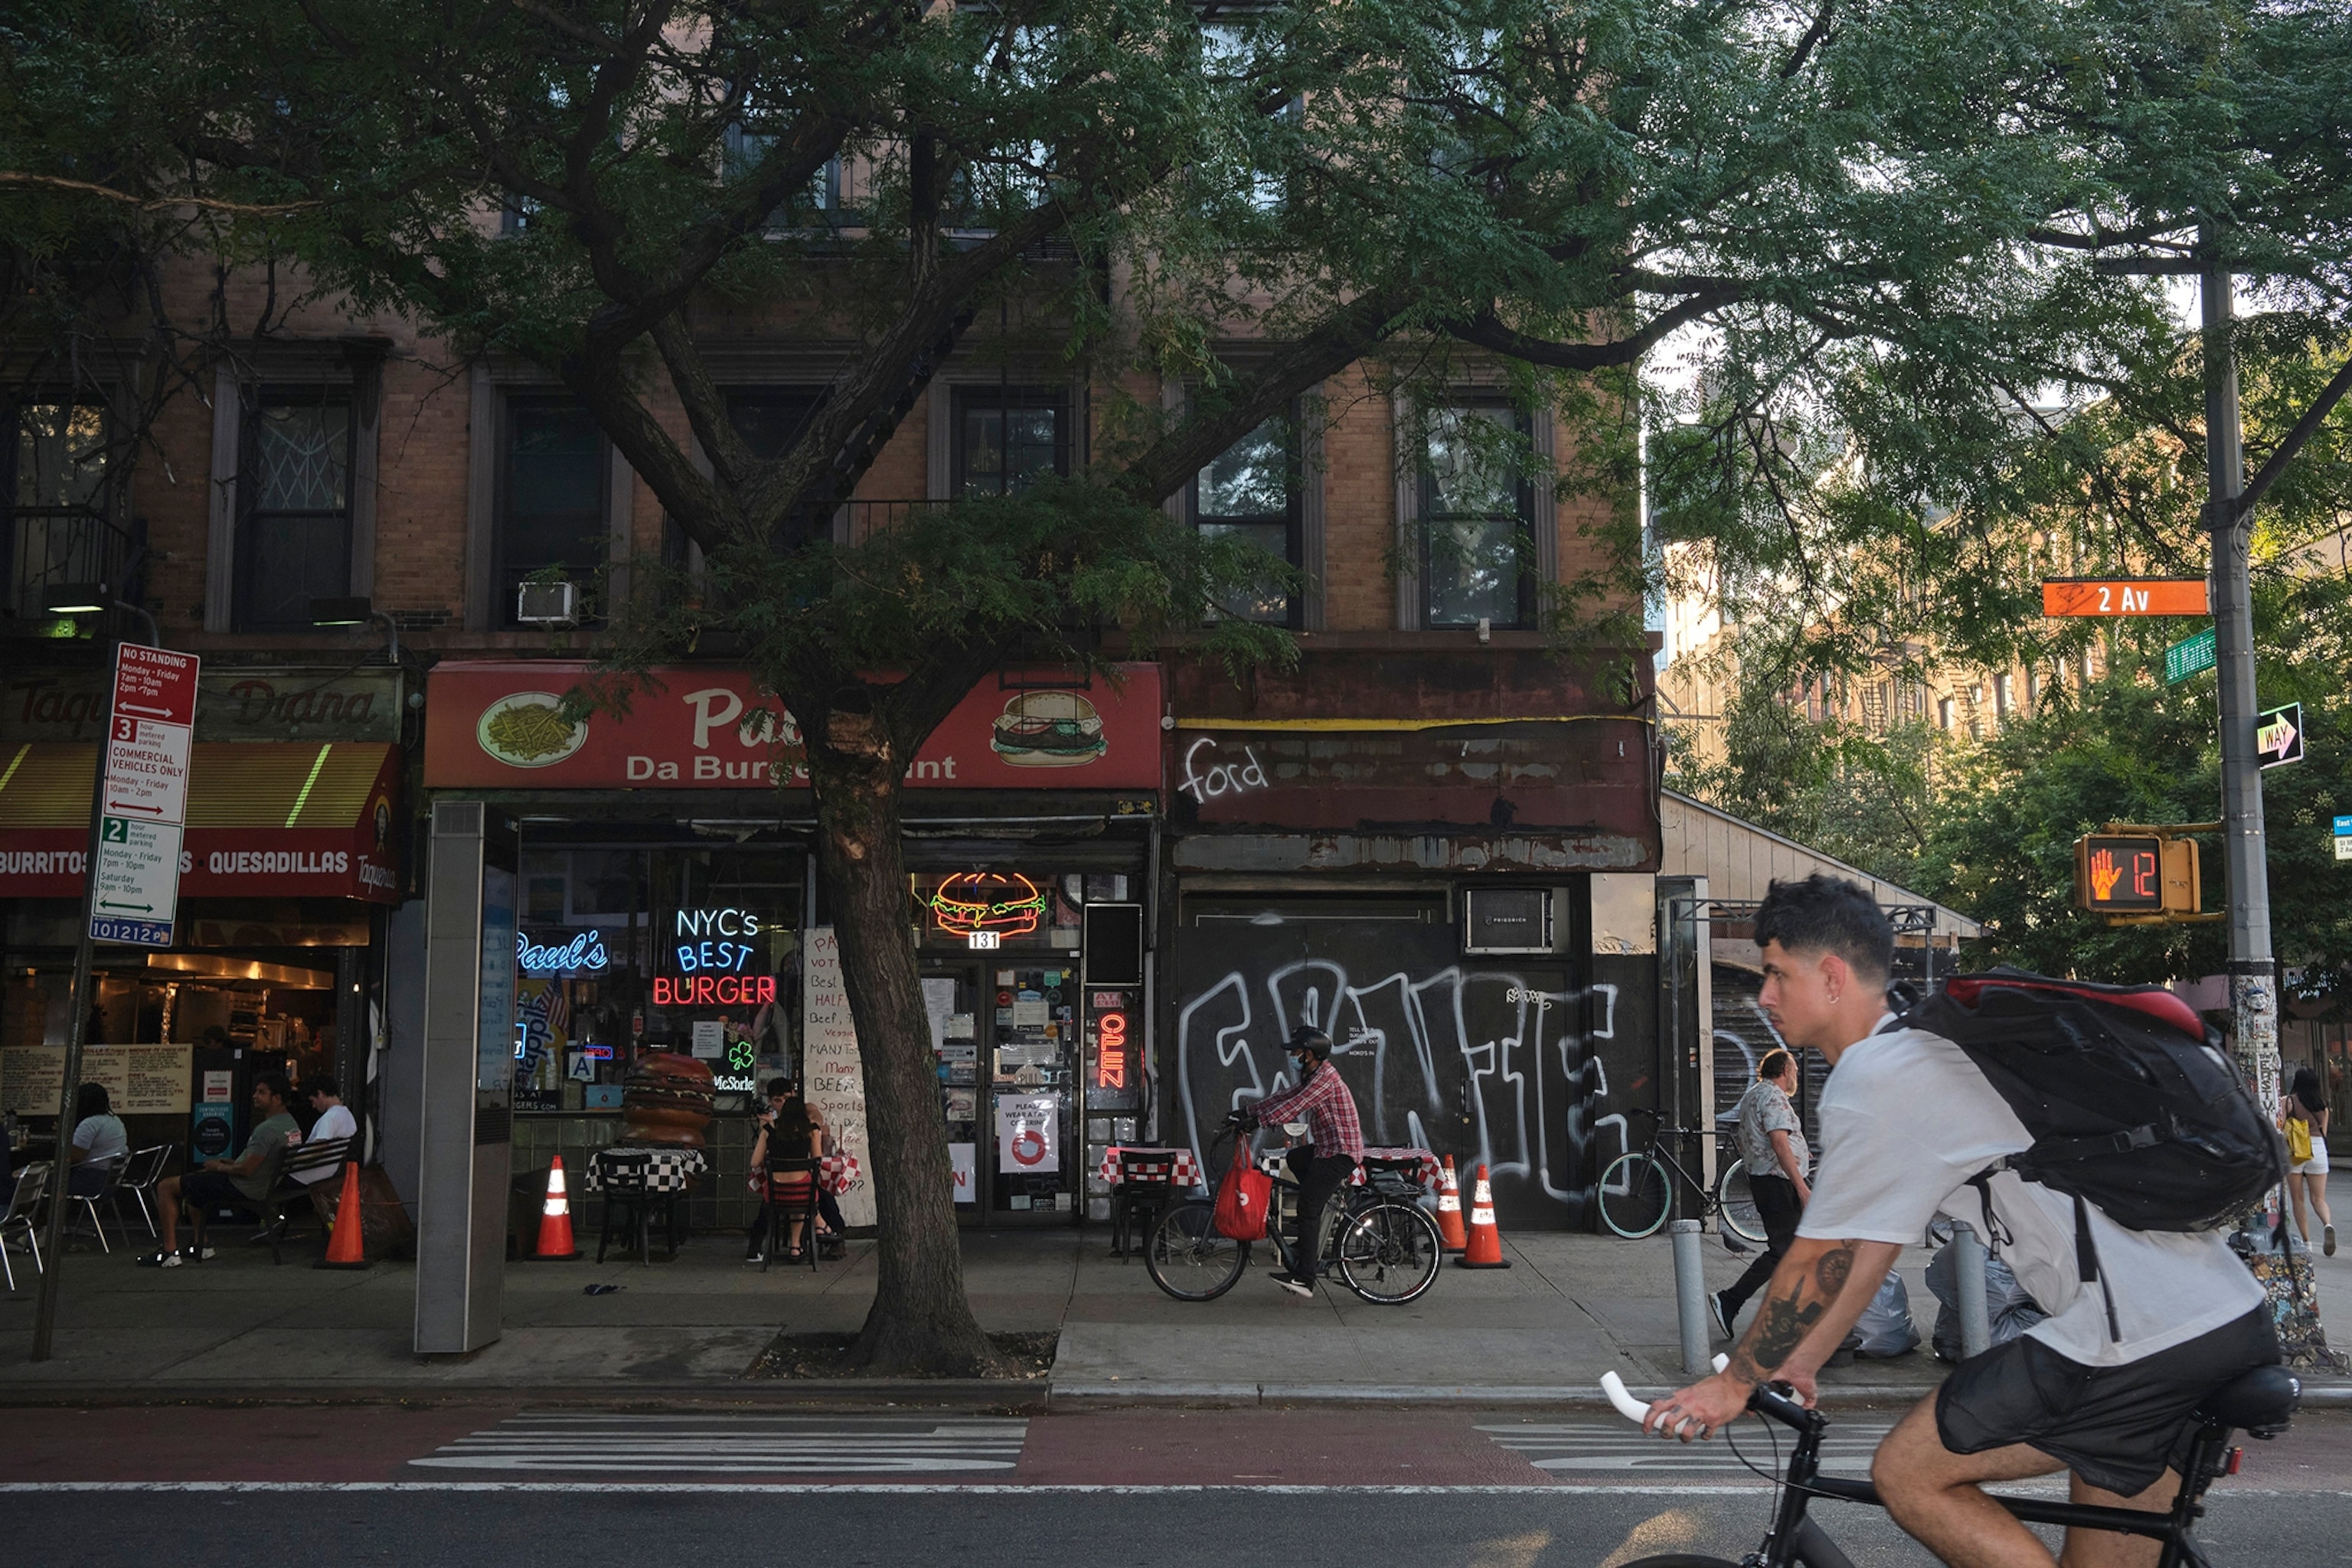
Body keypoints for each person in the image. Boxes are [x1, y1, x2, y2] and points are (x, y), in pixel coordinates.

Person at [1643, 874, 2275, 1568]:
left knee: (1907, 1472)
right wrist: (1802, 1356)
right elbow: (1868, 1248)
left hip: (2139, 1339)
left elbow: (1822, 1253)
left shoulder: (1880, 1073)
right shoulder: (1921, 1053)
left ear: (1830, 976)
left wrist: (1735, 1381)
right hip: (2219, 1316)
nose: (1763, 996)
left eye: (1774, 974)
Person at [1240, 1024, 1362, 1298]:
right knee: (1296, 1158)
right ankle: (1312, 1226)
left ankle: (1306, 1278)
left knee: (1308, 1206)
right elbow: (1286, 1097)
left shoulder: (1324, 1080)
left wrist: (1259, 1121)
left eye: (1296, 1051)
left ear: (1309, 1054)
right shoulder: (1312, 1075)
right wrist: (1247, 1111)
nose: (1292, 1055)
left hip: (1340, 1152)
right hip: (1327, 1148)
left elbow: (1296, 1106)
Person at [139, 1073, 301, 1267]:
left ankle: (169, 1251)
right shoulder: (290, 1125)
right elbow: (260, 1163)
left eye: (261, 1092)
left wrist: (220, 1166)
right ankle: (201, 1243)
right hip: (266, 1184)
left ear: (277, 1098)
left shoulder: (267, 1130)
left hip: (245, 1187)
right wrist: (232, 1163)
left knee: (166, 1186)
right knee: (196, 1184)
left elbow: (248, 1170)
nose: (255, 1096)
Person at [1710, 1048, 1810, 1338]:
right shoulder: (1774, 1097)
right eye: (1794, 1069)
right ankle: (1730, 1300)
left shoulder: (1755, 1094)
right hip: (1778, 1182)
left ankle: (1792, 1316)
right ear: (1784, 1071)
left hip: (1770, 1180)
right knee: (1784, 1250)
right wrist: (1802, 1188)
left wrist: (1802, 1153)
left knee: (1800, 1248)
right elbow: (1779, 1144)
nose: (1797, 1075)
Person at [748, 1083, 824, 1262]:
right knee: (811, 1191)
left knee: (790, 1190)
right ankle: (798, 1244)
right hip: (803, 1194)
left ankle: (815, 1230)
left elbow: (755, 1162)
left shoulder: (769, 1130)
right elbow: (817, 1160)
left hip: (776, 1194)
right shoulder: (811, 1131)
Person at [2282, 1065, 2333, 1257]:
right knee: (2319, 1199)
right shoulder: (2323, 1106)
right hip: (2318, 1149)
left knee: (2298, 1199)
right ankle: (2327, 1224)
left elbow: (2282, 1127)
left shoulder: (2288, 1101)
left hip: (2295, 1150)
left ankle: (2307, 1242)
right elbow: (2324, 1133)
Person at [66, 1082, 129, 1201]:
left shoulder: (89, 1123)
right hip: (111, 1181)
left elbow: (75, 1157)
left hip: (91, 1181)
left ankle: (39, 1219)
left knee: (38, 1182)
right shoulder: (115, 1120)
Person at [294, 1074, 358, 1186]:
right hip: (326, 1174)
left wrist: (293, 1161)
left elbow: (319, 1147)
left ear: (320, 1093)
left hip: (303, 1176)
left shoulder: (330, 1118)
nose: (313, 1106)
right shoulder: (348, 1116)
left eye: (312, 1101)